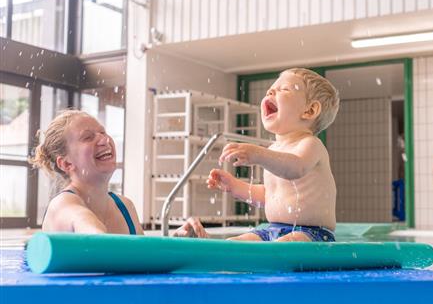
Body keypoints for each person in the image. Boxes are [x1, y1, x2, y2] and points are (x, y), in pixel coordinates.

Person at [206, 68, 339, 242]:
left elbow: (295, 168)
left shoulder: (311, 144)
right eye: (271, 89)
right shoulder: (273, 149)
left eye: (284, 89)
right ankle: (209, 246)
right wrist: (234, 186)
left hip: (312, 233)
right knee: (233, 245)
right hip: (271, 230)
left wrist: (258, 154)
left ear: (309, 110)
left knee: (286, 246)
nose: (270, 91)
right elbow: (268, 195)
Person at [30, 109, 207, 237]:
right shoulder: (63, 206)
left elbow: (144, 261)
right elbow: (91, 231)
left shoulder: (125, 206)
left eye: (103, 132)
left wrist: (176, 243)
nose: (104, 139)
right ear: (66, 163)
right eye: (88, 137)